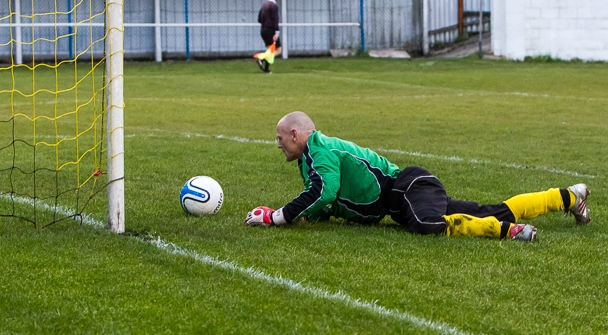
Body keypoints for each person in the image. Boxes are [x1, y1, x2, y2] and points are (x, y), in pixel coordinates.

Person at [244, 111, 591, 241]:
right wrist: (303, 216)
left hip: (408, 186)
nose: (277, 145)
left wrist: (277, 217)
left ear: (295, 134)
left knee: (426, 224)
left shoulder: (321, 150)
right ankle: (569, 196)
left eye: (279, 138)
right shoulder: (309, 158)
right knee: (492, 207)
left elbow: (324, 191)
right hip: (404, 197)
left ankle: (507, 232)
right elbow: (322, 197)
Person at [255, 0, 282, 73]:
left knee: (270, 50)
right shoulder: (273, 6)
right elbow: (275, 20)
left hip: (263, 29)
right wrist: (276, 32)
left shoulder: (264, 5)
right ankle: (261, 58)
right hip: (270, 30)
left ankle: (266, 70)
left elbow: (259, 19)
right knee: (278, 50)